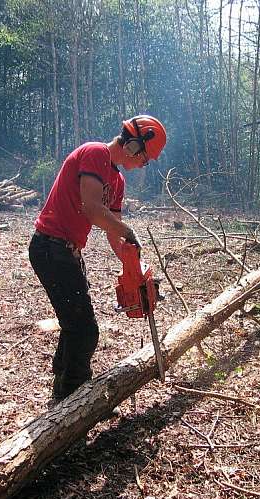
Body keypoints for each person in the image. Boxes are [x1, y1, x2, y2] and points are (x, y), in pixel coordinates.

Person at [29, 115, 167, 401]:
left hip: (68, 251)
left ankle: (62, 388)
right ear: (133, 145)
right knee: (85, 329)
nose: (144, 164)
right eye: (145, 157)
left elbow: (112, 232)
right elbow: (91, 209)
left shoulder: (116, 181)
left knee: (74, 323)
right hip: (50, 247)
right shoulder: (95, 153)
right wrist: (129, 230)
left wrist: (136, 267)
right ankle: (74, 398)